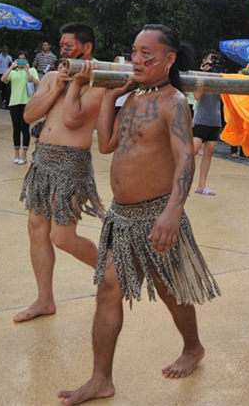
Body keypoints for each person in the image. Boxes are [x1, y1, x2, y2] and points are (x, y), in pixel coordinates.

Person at [58, 25, 219, 405]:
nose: (137, 60)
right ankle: (101, 379)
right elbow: (106, 145)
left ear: (169, 59)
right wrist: (112, 96)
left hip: (156, 213)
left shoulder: (173, 102)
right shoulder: (132, 99)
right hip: (120, 217)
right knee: (107, 292)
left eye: (148, 54)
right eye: (134, 52)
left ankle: (193, 348)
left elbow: (185, 157)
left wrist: (173, 212)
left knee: (170, 290)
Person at [13, 23, 107, 323]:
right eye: (61, 45)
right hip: (42, 159)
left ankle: (110, 276)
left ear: (86, 48)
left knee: (63, 237)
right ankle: (44, 300)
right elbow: (29, 115)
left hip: (72, 162)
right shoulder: (52, 77)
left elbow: (73, 117)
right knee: (36, 228)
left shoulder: (99, 81)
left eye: (68, 46)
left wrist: (76, 83)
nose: (62, 50)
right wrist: (56, 86)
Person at [191, 50, 223, 196]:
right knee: (192, 152)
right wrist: (204, 74)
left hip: (215, 120)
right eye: (211, 59)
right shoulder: (198, 75)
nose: (213, 63)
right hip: (201, 119)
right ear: (204, 61)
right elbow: (197, 96)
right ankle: (182, 183)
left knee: (208, 153)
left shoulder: (220, 77)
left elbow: (225, 98)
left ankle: (202, 185)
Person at [1, 52, 39, 164]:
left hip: (27, 103)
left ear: (27, 60)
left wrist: (27, 71)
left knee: (25, 127)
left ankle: (24, 154)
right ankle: (16, 154)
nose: (21, 61)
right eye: (19, 59)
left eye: (23, 59)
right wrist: (12, 67)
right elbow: (3, 79)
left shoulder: (32, 70)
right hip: (14, 102)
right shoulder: (13, 72)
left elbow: (36, 82)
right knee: (16, 128)